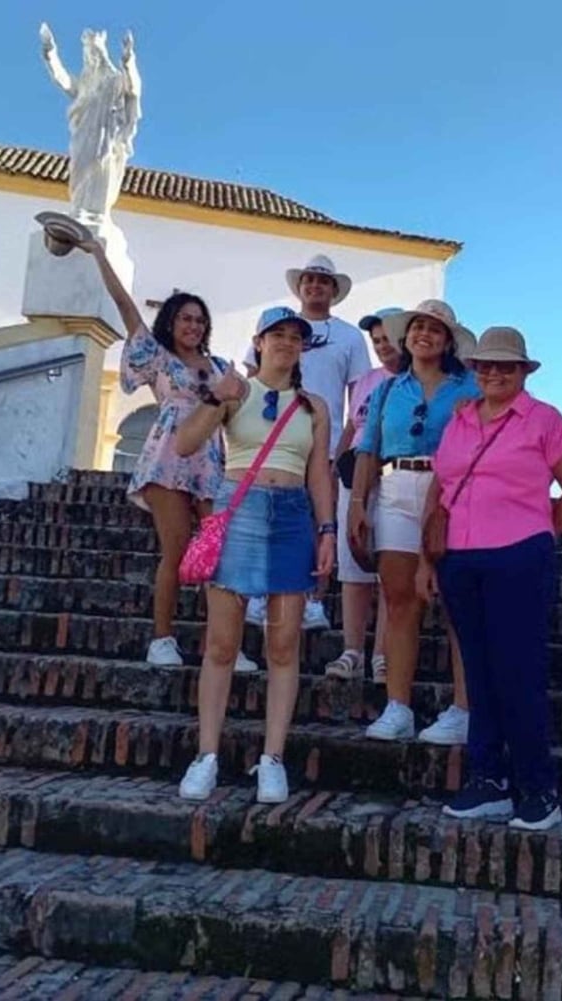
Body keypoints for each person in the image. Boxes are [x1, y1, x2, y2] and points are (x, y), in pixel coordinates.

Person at [421, 326, 562, 832]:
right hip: (460, 558)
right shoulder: (459, 421)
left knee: (519, 674)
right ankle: (489, 780)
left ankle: (538, 789)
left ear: (523, 371)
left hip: (517, 557)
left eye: (506, 365)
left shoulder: (543, 420)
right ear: (474, 369)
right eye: (486, 365)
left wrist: (537, 532)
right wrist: (428, 559)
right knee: (479, 673)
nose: (494, 372)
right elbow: (443, 485)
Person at [175, 306, 336, 803]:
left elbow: (317, 475)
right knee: (222, 644)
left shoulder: (314, 406)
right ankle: (206, 755)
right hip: (239, 508)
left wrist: (326, 530)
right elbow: (184, 444)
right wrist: (214, 397)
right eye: (278, 334)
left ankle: (272, 759)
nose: (287, 342)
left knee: (284, 646)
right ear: (259, 341)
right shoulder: (235, 391)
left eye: (296, 336)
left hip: (291, 517)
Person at [79, 239, 255, 671]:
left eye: (200, 319)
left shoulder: (219, 367)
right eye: (185, 318)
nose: (193, 325)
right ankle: (162, 638)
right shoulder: (156, 356)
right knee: (175, 549)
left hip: (211, 460)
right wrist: (100, 256)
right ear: (171, 322)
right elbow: (124, 306)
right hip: (168, 459)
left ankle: (228, 643)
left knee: (222, 550)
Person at [348, 299, 477, 744]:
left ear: (448, 341)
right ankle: (397, 705)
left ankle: (463, 709)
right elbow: (368, 447)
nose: (426, 335)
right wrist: (357, 502)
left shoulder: (470, 386)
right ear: (408, 335)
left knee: (459, 603)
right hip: (396, 487)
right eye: (419, 327)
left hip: (453, 495)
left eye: (435, 329)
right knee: (400, 601)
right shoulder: (386, 389)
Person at [244, 254, 372, 633]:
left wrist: (345, 448)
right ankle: (257, 593)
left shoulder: (350, 336)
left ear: (334, 290)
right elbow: (253, 377)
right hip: (272, 437)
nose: (315, 286)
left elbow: (358, 396)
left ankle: (315, 599)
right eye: (309, 280)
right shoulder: (273, 325)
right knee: (265, 513)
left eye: (323, 281)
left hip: (326, 438)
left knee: (321, 518)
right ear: (300, 287)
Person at [325, 308, 401, 682]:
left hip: (394, 477)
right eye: (377, 341)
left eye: (389, 337)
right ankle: (352, 649)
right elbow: (352, 425)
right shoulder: (367, 380)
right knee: (352, 565)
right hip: (354, 475)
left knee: (391, 569)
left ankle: (382, 654)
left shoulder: (415, 380)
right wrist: (334, 466)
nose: (383, 346)